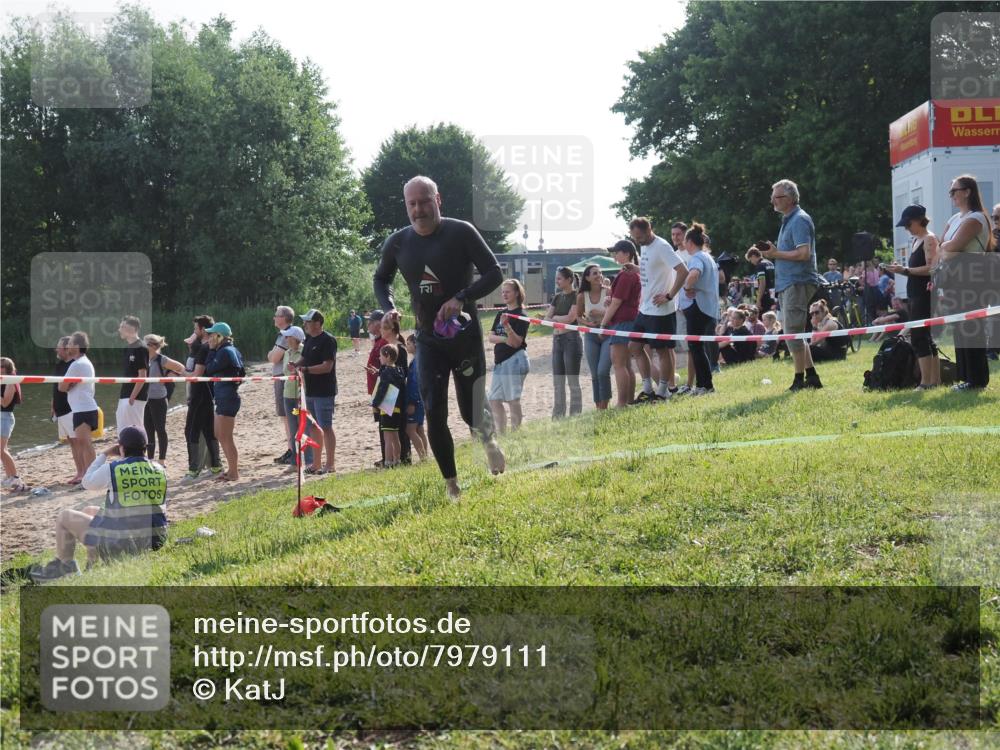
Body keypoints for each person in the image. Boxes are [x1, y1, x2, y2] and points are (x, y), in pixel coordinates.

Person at [373, 175, 506, 500]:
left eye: (424, 201)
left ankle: (488, 442)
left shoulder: (460, 231)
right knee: (434, 409)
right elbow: (381, 278)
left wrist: (461, 297)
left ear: (438, 199)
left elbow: (494, 272)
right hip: (428, 338)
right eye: (412, 204)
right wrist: (388, 307)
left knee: (469, 409)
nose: (418, 209)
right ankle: (452, 485)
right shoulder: (399, 242)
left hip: (465, 335)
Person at [29, 426, 167, 582]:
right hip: (154, 540)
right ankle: (92, 563)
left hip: (125, 544)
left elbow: (87, 482)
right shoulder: (160, 469)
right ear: (145, 448)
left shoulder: (115, 469)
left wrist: (104, 454)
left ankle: (66, 569)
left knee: (64, 517)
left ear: (121, 448)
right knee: (90, 510)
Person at [757, 179, 825, 390]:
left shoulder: (799, 220)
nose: (773, 201)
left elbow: (804, 254)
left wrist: (776, 253)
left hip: (798, 281)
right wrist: (774, 251)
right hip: (789, 282)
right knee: (792, 331)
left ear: (792, 198)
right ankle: (812, 377)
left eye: (778, 197)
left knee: (792, 332)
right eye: (773, 197)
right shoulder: (789, 220)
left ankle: (799, 380)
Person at [938, 174, 996, 391]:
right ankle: (966, 377)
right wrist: (949, 248)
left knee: (972, 329)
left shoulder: (977, 218)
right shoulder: (954, 220)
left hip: (972, 278)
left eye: (955, 190)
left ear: (967, 191)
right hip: (955, 278)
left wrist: (950, 248)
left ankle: (978, 379)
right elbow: (942, 246)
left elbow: (953, 246)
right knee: (959, 328)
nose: (951, 195)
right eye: (950, 191)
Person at [627, 217, 688, 402]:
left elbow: (683, 271)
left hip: (662, 310)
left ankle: (663, 391)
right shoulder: (644, 245)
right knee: (634, 347)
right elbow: (654, 270)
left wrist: (669, 295)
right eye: (634, 238)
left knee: (662, 351)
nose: (638, 241)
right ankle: (648, 389)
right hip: (644, 308)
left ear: (649, 230)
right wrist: (636, 269)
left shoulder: (662, 246)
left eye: (639, 237)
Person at [886, 204, 940, 389]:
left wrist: (905, 270)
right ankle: (933, 381)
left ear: (918, 220)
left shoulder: (929, 239)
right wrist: (901, 270)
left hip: (924, 294)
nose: (907, 228)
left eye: (908, 224)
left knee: (919, 337)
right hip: (916, 293)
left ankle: (926, 383)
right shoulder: (917, 240)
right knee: (925, 337)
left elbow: (932, 268)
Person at [678, 224, 720, 395]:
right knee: (698, 347)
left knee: (696, 347)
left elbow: (694, 273)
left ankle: (705, 385)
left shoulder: (696, 258)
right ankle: (704, 384)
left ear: (689, 242)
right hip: (707, 308)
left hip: (697, 307)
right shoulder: (708, 256)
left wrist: (687, 287)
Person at [294, 309, 337, 475]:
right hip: (310, 390)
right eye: (304, 321)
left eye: (308, 321)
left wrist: (305, 369)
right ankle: (316, 464)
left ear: (317, 323)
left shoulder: (328, 340)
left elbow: (327, 366)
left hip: (324, 391)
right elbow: (304, 358)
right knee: (312, 427)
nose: (304, 324)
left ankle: (330, 464)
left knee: (326, 427)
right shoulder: (310, 339)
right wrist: (296, 365)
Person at [181, 315, 223, 482]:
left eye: (195, 329)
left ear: (203, 330)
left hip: (199, 395)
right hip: (207, 395)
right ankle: (216, 466)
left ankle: (193, 471)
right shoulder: (208, 346)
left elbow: (196, 375)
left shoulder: (204, 348)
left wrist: (180, 371)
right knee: (208, 430)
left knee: (191, 431)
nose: (194, 332)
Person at [601, 240, 642, 407]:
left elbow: (617, 302)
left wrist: (603, 324)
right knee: (626, 364)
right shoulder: (631, 273)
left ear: (627, 254)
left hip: (622, 321)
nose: (614, 255)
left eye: (617, 252)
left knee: (619, 364)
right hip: (629, 319)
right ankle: (628, 400)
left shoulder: (626, 274)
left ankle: (622, 403)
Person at [488, 279, 530, 433]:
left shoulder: (522, 315)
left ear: (517, 293)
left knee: (513, 399)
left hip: (515, 360)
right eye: (503, 291)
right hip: (500, 363)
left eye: (508, 291)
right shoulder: (501, 313)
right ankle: (503, 434)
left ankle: (516, 433)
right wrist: (505, 338)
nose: (504, 294)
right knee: (494, 399)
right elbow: (491, 337)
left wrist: (507, 327)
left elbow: (516, 343)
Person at [204, 322, 244, 481]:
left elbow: (209, 369)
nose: (209, 338)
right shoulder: (229, 350)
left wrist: (211, 351)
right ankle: (231, 469)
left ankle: (234, 472)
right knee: (219, 434)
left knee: (226, 437)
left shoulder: (224, 351)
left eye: (212, 335)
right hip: (224, 396)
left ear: (219, 336)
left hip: (227, 397)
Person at [59, 332, 98, 477]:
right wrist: (69, 385)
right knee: (84, 443)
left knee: (85, 444)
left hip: (83, 408)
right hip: (83, 408)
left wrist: (68, 386)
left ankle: (91, 475)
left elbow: (61, 387)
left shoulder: (77, 364)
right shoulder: (83, 362)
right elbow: (64, 386)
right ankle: (90, 474)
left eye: (69, 344)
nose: (67, 346)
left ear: (77, 346)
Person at [547, 267, 583, 418]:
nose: (557, 281)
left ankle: (575, 414)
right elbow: (547, 318)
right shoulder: (557, 296)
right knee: (558, 381)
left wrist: (555, 318)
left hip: (571, 339)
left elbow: (571, 319)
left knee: (572, 379)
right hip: (557, 340)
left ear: (569, 280)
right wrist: (555, 319)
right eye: (556, 278)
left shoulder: (576, 296)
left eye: (559, 278)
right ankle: (558, 415)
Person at [142, 335, 184, 464]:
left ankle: (161, 460)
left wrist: (168, 376)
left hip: (159, 399)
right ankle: (149, 459)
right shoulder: (144, 359)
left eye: (146, 344)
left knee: (160, 429)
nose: (143, 347)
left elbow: (181, 368)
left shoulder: (162, 359)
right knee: (148, 430)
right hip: (145, 399)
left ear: (154, 346)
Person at [577, 264, 613, 410]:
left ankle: (605, 404)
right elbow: (578, 317)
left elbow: (616, 311)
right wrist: (589, 324)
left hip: (608, 333)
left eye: (599, 272)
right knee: (594, 373)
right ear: (587, 278)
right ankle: (598, 406)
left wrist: (601, 314)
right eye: (594, 273)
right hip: (591, 335)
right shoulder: (581, 296)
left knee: (603, 370)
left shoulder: (609, 291)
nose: (598, 275)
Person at [51, 337, 85, 484]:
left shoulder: (74, 365)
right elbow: (55, 387)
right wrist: (52, 406)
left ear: (66, 349)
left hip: (71, 408)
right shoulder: (59, 365)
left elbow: (72, 385)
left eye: (58, 347)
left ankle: (84, 473)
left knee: (78, 442)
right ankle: (79, 472)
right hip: (60, 409)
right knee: (71, 442)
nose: (56, 350)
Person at [266, 306, 296, 465]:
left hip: (283, 378)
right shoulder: (285, 335)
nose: (273, 318)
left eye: (276, 315)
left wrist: (271, 353)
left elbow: (273, 357)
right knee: (286, 417)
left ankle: (293, 450)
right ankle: (291, 449)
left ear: (283, 318)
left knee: (287, 416)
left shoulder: (286, 335)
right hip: (282, 377)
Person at [280, 325, 312, 469]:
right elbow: (286, 371)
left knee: (305, 427)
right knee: (293, 429)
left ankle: (309, 460)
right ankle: (295, 461)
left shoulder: (304, 350)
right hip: (288, 394)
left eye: (288, 336)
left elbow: (300, 371)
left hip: (302, 395)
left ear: (295, 338)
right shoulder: (287, 352)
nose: (285, 339)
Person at [371, 344, 407, 467]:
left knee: (387, 437)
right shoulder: (399, 371)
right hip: (397, 406)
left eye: (380, 356)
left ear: (387, 356)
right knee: (395, 435)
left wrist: (375, 404)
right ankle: (397, 460)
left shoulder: (386, 372)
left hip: (387, 406)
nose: (379, 358)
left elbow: (382, 389)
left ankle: (388, 461)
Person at [116, 315, 149, 430]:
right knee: (123, 430)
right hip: (125, 395)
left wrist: (132, 398)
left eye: (122, 326)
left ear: (133, 329)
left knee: (134, 430)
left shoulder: (141, 348)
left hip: (135, 398)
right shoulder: (127, 348)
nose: (119, 329)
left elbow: (142, 376)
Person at [365, 310, 389, 468]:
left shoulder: (384, 342)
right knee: (382, 425)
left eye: (370, 322)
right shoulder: (378, 341)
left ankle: (389, 457)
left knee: (387, 425)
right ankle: (385, 456)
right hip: (376, 390)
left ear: (378, 323)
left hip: (384, 390)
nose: (368, 325)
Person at [1, 357, 24, 492]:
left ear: (8, 368)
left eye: (2, 366)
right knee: (2, 450)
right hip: (1, 417)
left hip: (5, 417)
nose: (0, 368)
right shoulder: (3, 380)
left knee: (1, 450)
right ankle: (10, 477)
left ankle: (15, 477)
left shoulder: (11, 381)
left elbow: (5, 402)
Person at [404, 335, 428, 461]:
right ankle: (425, 456)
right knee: (419, 429)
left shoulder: (416, 362)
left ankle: (423, 457)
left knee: (410, 429)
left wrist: (412, 402)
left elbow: (414, 383)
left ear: (415, 344)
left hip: (416, 400)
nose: (407, 346)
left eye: (408, 344)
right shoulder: (419, 360)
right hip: (421, 399)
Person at [744, 246, 776, 314]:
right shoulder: (770, 263)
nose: (751, 262)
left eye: (750, 260)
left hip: (764, 297)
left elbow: (762, 283)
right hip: (772, 295)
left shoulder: (760, 265)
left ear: (753, 256)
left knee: (763, 318)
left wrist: (758, 300)